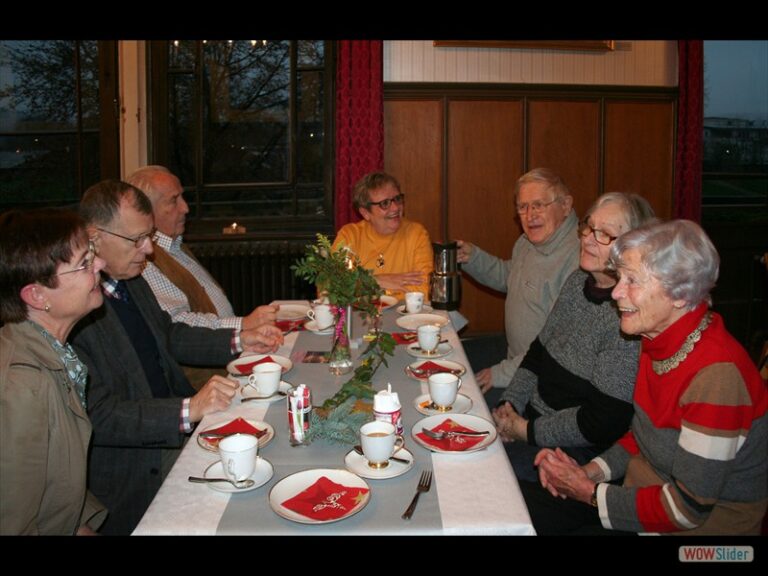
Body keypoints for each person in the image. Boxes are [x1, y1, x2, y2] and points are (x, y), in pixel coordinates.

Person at [70, 180, 284, 535]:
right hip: (134, 470)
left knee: (269, 445)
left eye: (149, 236)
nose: (149, 249)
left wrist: (239, 339)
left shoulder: (130, 280)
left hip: (176, 435)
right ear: (94, 237)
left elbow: (169, 336)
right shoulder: (77, 309)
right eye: (136, 239)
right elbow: (100, 415)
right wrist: (188, 410)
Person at [528, 220, 767, 535]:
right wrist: (587, 473)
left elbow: (688, 509)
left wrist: (588, 493)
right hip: (642, 495)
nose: (616, 292)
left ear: (679, 294)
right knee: (523, 509)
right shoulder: (656, 340)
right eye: (619, 278)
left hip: (706, 537)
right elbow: (641, 438)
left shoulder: (716, 377)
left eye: (632, 280)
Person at [492, 193, 656, 482]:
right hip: (533, 418)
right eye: (589, 227)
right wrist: (511, 405)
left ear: (633, 248)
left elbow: (599, 423)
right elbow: (538, 354)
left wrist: (525, 430)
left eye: (604, 234)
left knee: (486, 478)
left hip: (579, 451)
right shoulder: (576, 282)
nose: (588, 239)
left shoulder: (629, 315)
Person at [0, 209, 107, 535]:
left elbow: (56, 479)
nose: (100, 264)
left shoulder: (55, 352)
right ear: (36, 295)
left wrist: (82, 523)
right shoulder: (22, 387)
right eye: (84, 262)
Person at [458, 168, 580, 398]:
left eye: (538, 205)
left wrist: (501, 374)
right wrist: (472, 257)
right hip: (516, 359)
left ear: (565, 205)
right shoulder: (528, 242)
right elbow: (511, 277)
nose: (529, 215)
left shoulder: (579, 261)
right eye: (522, 207)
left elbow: (559, 348)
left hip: (545, 380)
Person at [127, 166, 277, 331]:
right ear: (148, 212)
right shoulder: (145, 262)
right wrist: (243, 324)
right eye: (173, 200)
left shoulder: (176, 247)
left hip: (229, 340)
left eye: (182, 197)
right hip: (207, 352)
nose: (185, 208)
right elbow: (177, 324)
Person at [333, 171, 433, 299]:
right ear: (365, 213)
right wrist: (375, 281)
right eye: (385, 203)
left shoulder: (416, 234)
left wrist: (363, 286)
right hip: (359, 316)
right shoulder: (350, 236)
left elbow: (424, 291)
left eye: (397, 199)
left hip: (404, 316)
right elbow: (330, 288)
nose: (395, 208)